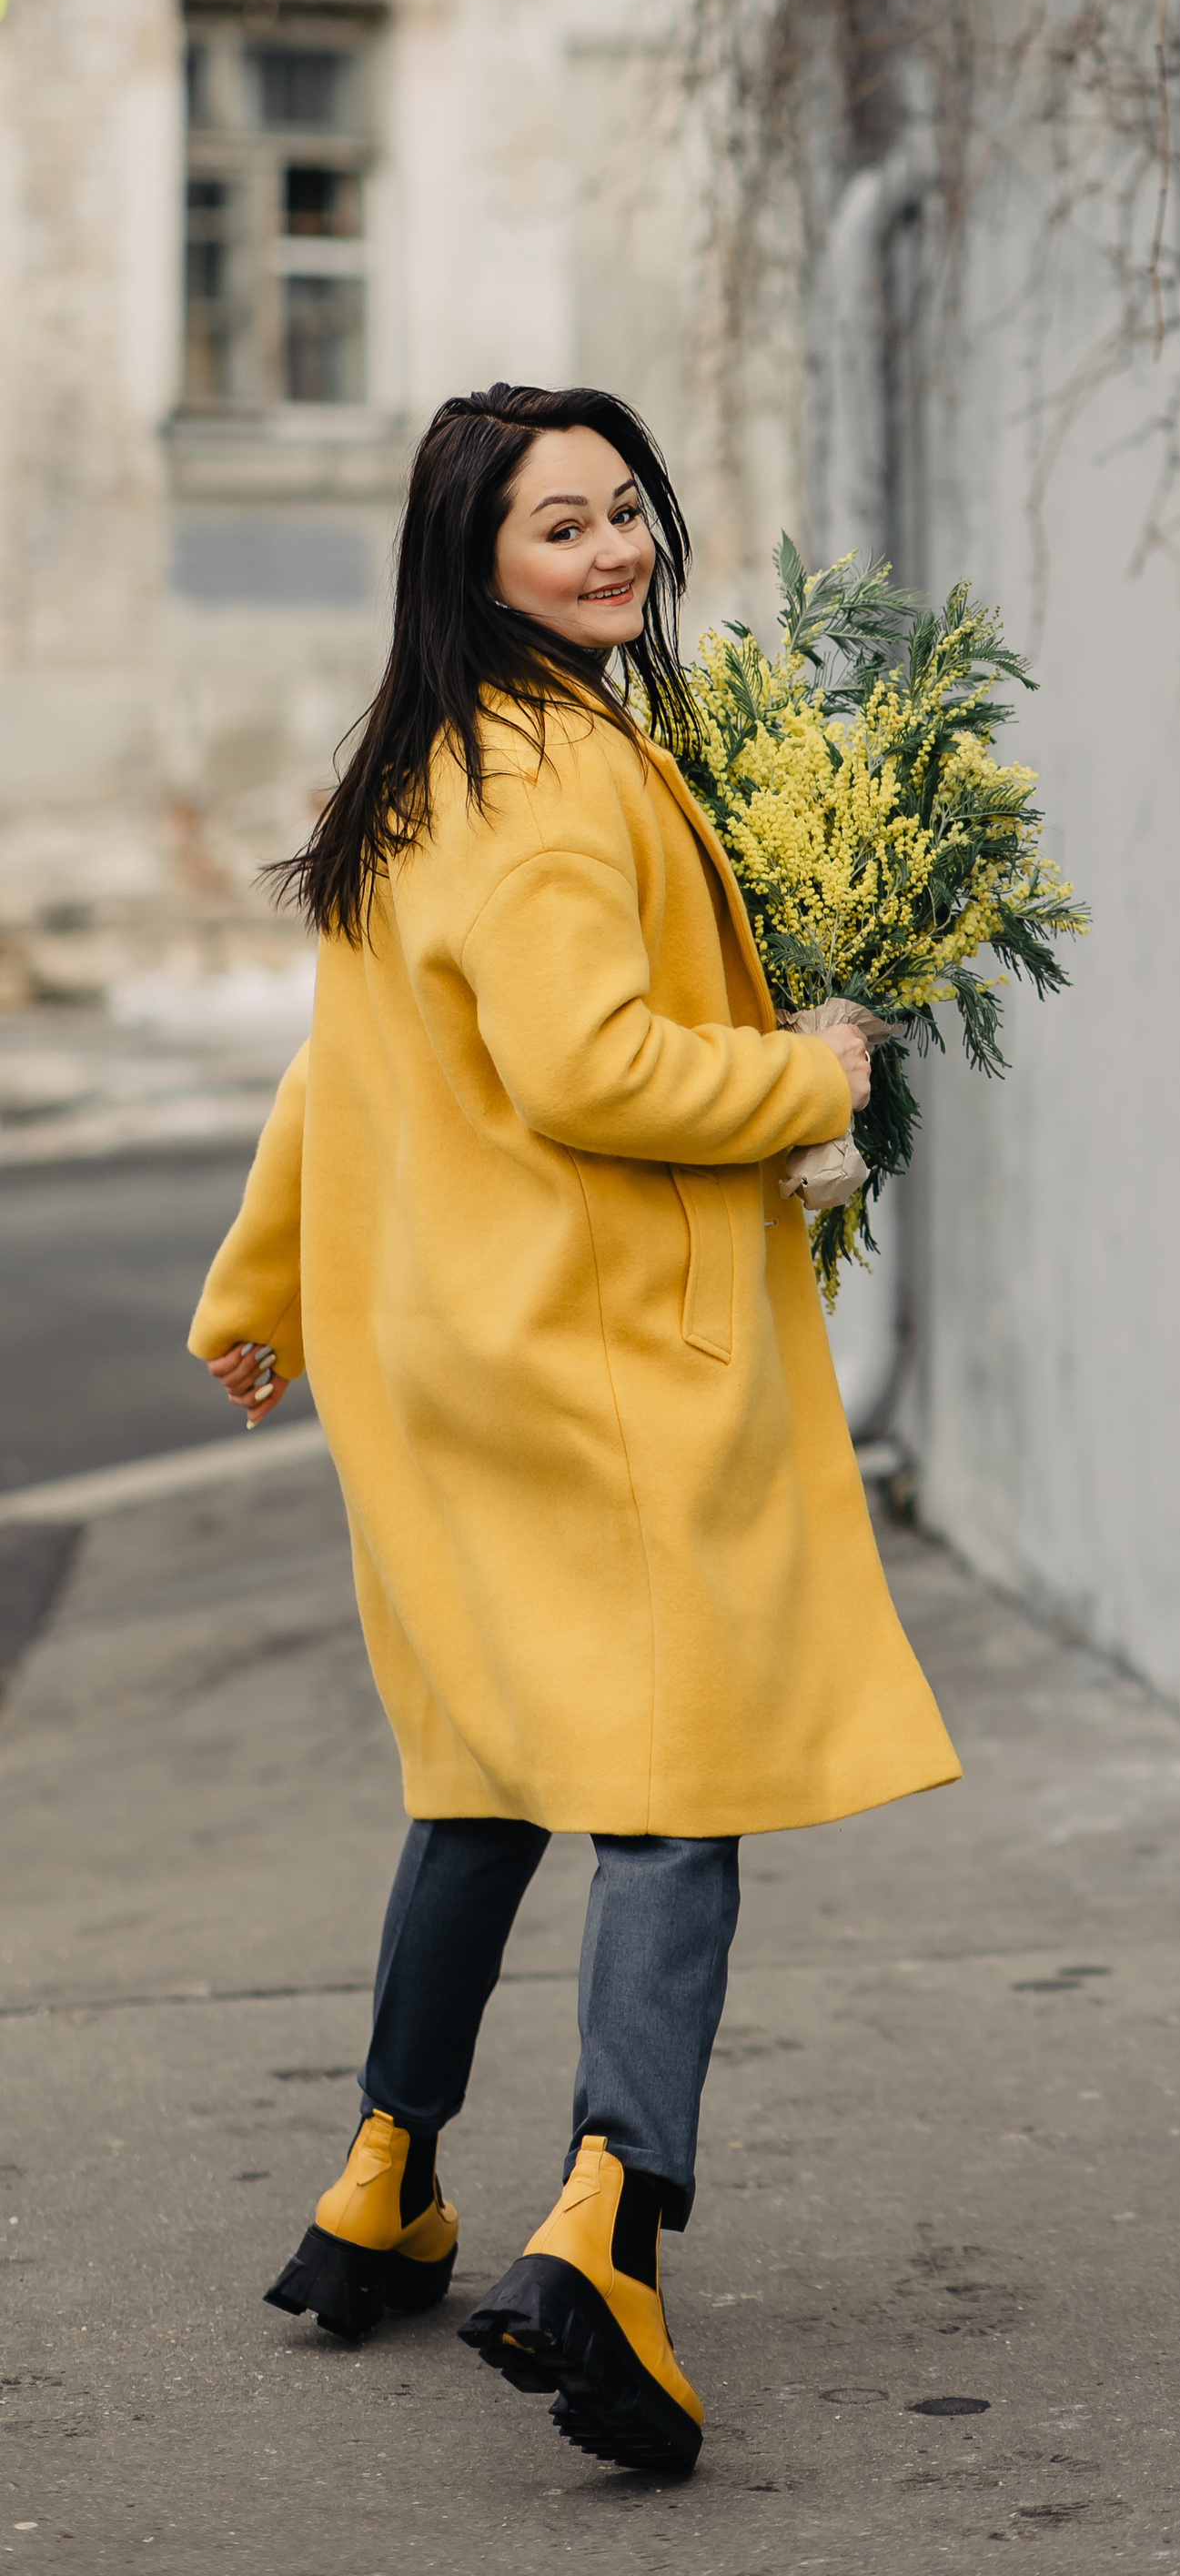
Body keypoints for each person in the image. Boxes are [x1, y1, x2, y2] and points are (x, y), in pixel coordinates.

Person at [189, 382, 959, 2480]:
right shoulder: (548, 779)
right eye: (560, 527)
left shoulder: (422, 766)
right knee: (666, 1785)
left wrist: (258, 1285)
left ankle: (384, 2180)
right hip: (587, 1362)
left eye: (625, 511)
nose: (612, 550)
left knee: (487, 1772)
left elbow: (340, 1073)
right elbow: (589, 1069)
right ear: (476, 559)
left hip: (440, 1354)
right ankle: (605, 2231)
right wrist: (816, 1073)